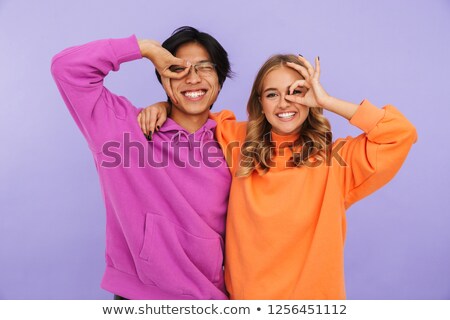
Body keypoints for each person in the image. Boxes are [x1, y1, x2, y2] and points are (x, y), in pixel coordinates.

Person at [138, 54, 417, 299]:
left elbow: (399, 134)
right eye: (272, 94)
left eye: (295, 92)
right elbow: (192, 116)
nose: (285, 102)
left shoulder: (336, 161)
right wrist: (163, 108)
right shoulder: (238, 142)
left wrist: (327, 100)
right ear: (260, 102)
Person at [51, 26, 234, 299]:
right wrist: (144, 48)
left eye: (205, 68)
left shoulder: (233, 141)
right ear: (164, 78)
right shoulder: (123, 131)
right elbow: (66, 68)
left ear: (219, 81)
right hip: (138, 298)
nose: (192, 78)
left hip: (210, 298)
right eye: (178, 68)